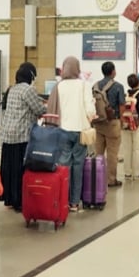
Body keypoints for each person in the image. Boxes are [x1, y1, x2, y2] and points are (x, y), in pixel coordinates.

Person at [50, 56, 96, 212]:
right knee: (78, 166)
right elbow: (89, 107)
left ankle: (62, 198)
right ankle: (74, 203)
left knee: (64, 166)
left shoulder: (58, 86)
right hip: (80, 131)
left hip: (62, 130)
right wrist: (91, 117)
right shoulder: (84, 85)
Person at [0, 62, 46, 212]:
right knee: (20, 169)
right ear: (31, 76)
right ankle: (19, 199)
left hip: (7, 135)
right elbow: (38, 109)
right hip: (21, 136)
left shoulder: (12, 89)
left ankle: (9, 198)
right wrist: (46, 106)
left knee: (8, 168)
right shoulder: (28, 90)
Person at [92, 61, 126, 187]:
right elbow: (122, 105)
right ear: (113, 71)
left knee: (98, 153)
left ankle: (97, 178)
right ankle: (111, 180)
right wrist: (121, 122)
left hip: (98, 123)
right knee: (112, 154)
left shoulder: (95, 86)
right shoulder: (118, 86)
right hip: (112, 123)